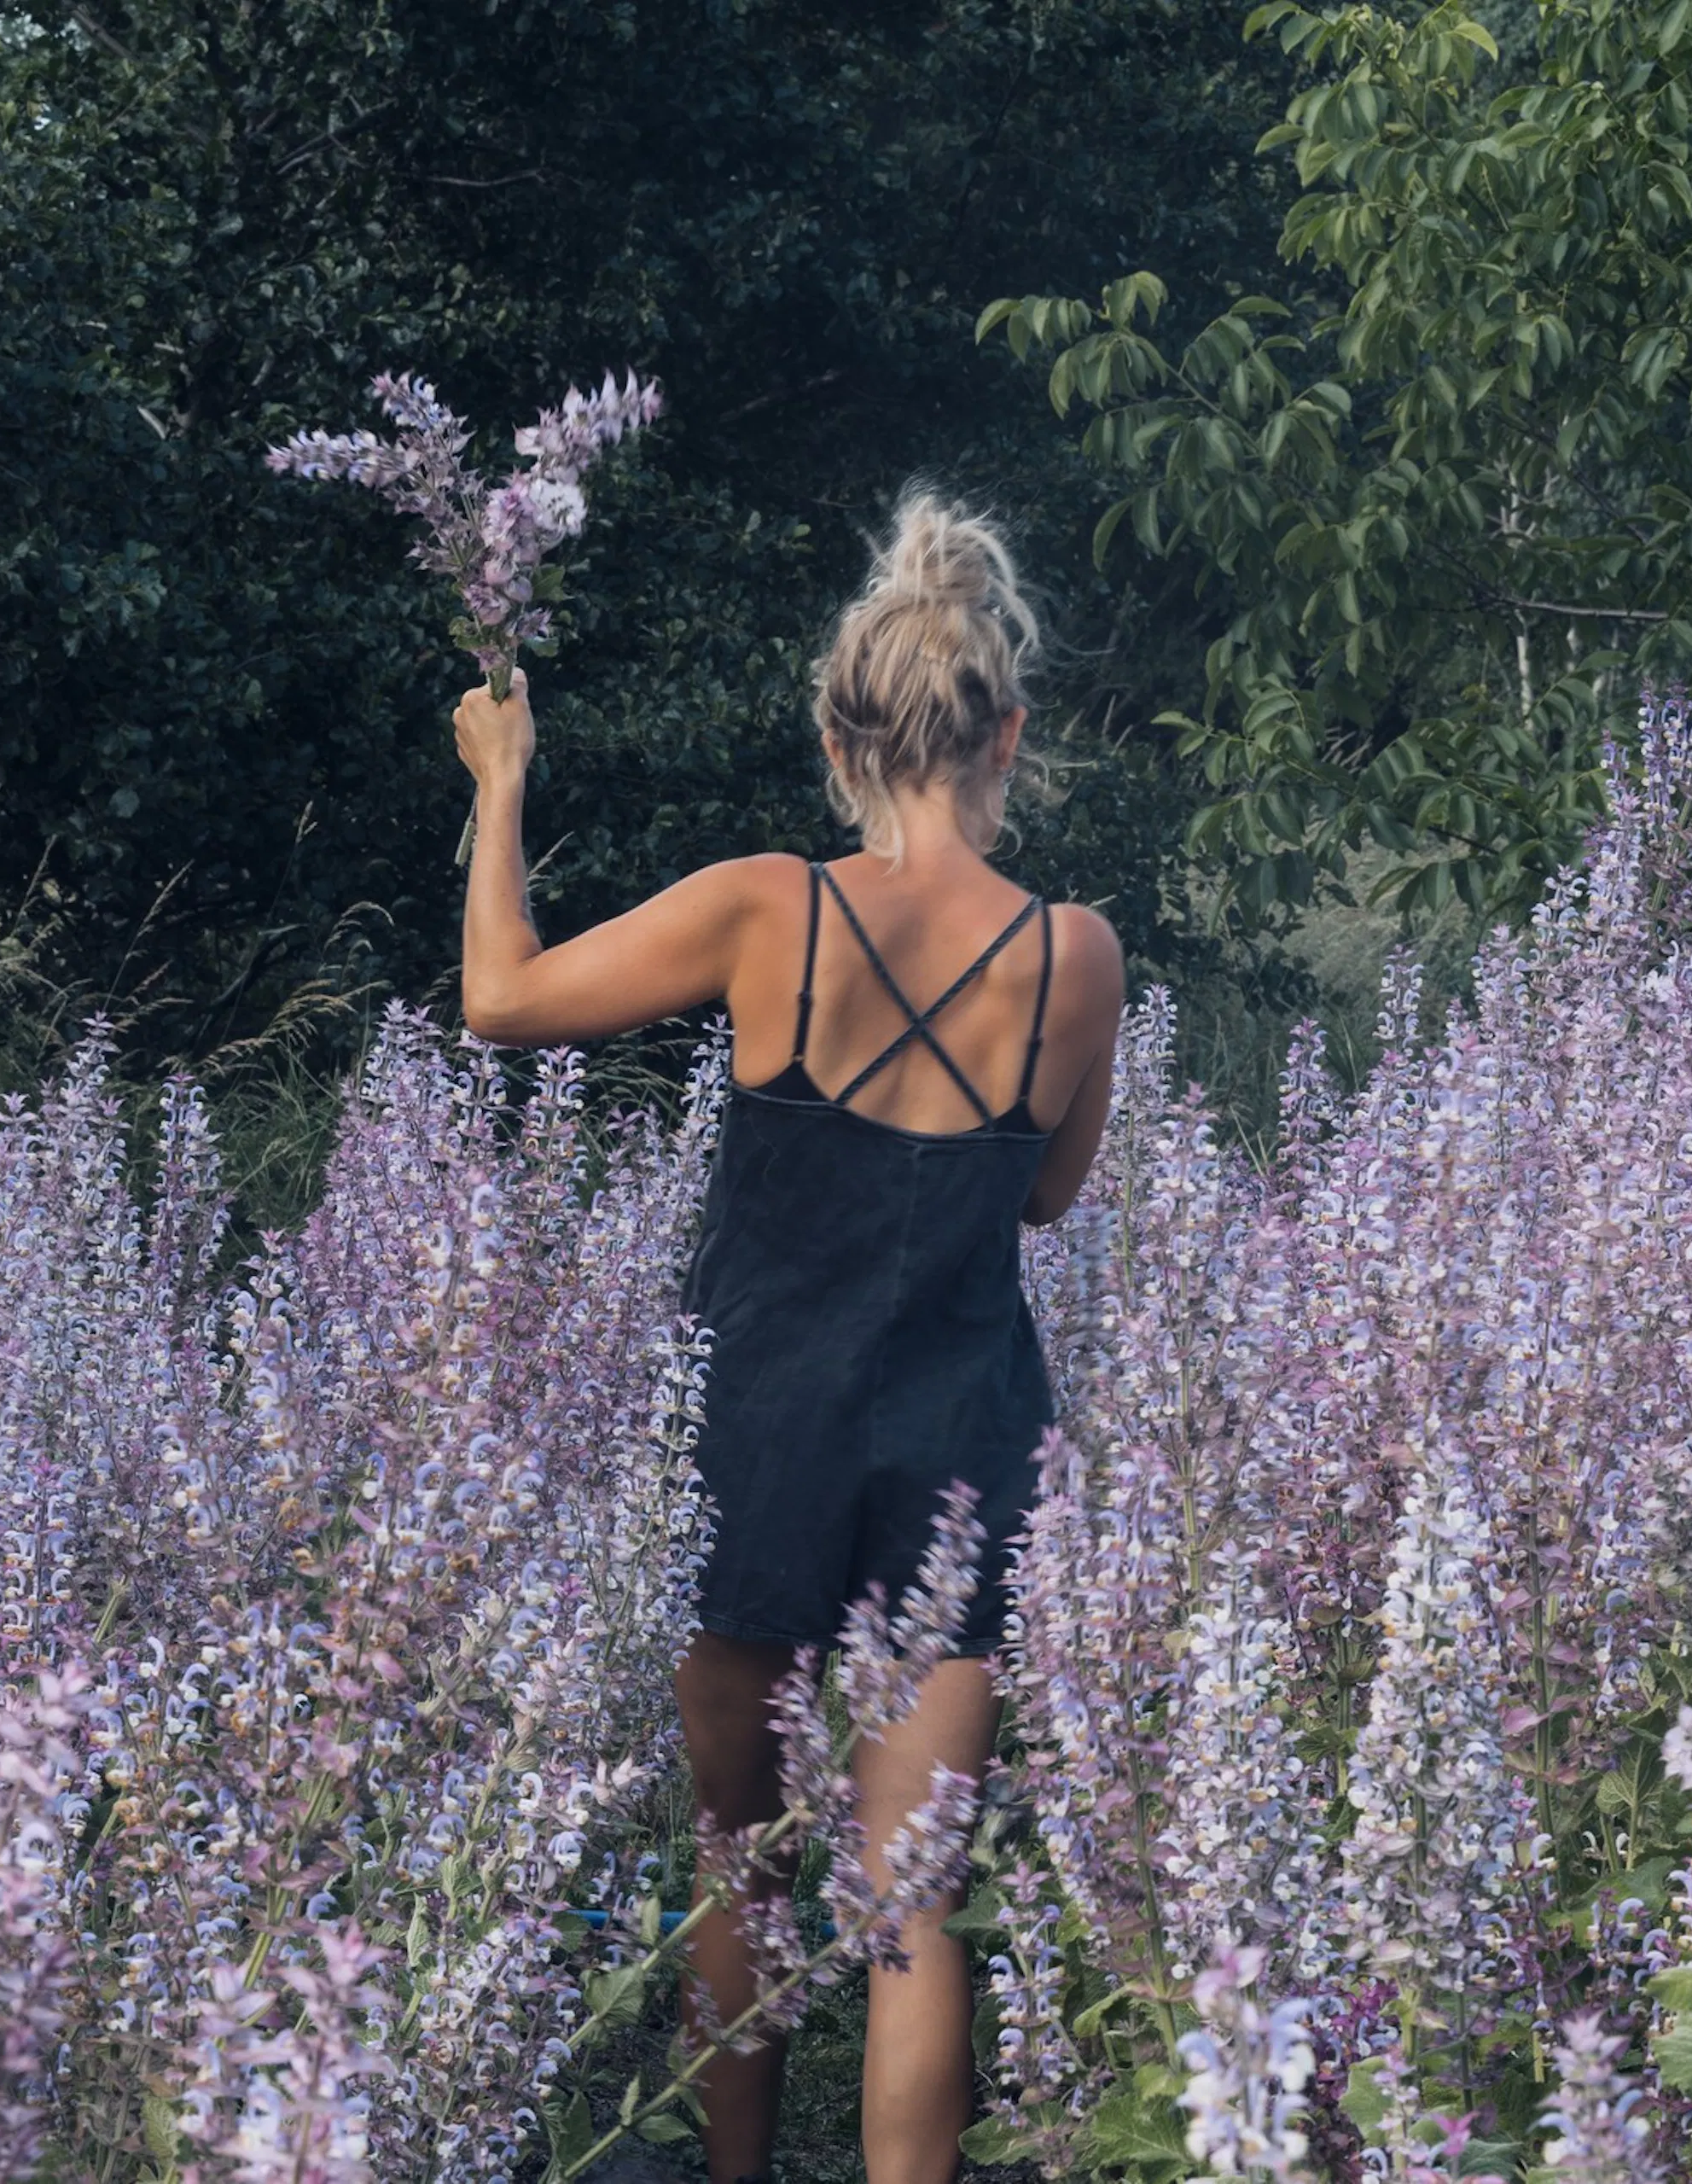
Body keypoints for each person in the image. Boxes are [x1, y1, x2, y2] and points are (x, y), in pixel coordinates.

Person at [452, 490, 1125, 2183]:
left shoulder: (770, 908)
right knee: (914, 1908)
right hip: (961, 1433)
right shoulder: (1076, 957)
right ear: (1010, 735)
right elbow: (1043, 1197)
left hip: (757, 1422)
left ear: (836, 732)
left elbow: (502, 1001)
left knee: (738, 1860)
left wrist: (502, 785)